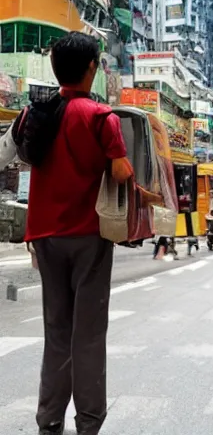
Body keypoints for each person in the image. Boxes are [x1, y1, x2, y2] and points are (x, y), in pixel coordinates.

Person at [24, 32, 133, 435]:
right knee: (87, 334)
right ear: (91, 69)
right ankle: (88, 422)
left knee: (57, 331)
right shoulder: (101, 116)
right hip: (88, 234)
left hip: (44, 235)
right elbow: (121, 172)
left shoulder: (35, 113)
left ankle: (49, 419)